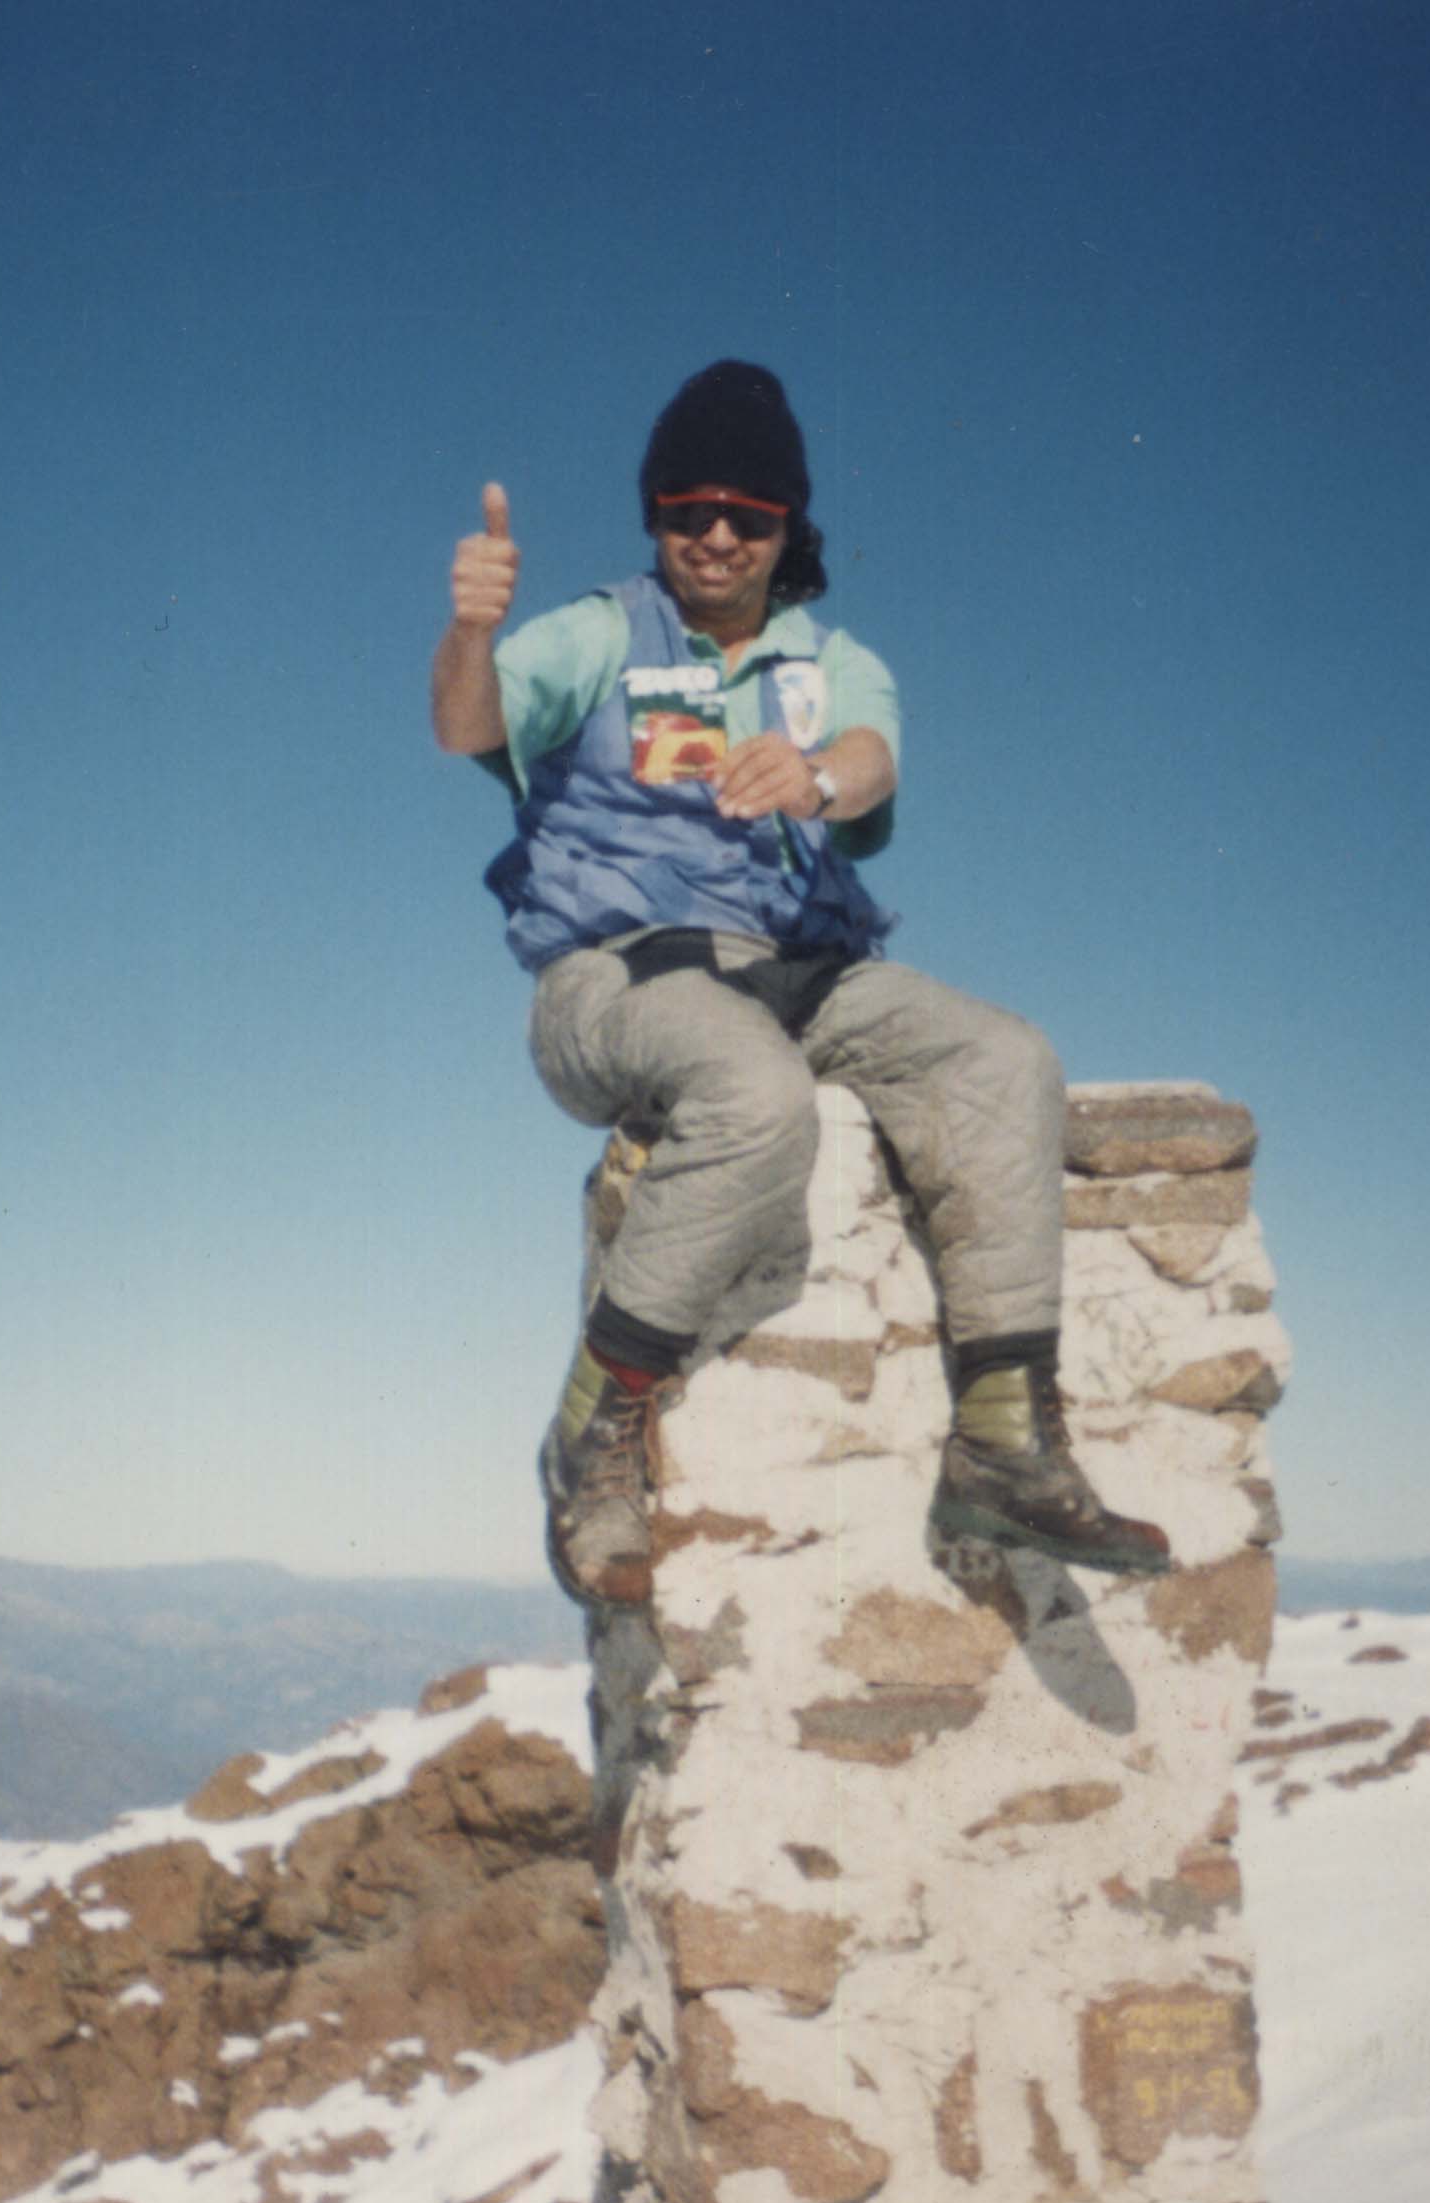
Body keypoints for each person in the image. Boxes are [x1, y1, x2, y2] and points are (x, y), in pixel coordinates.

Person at [428, 360, 1172, 1610]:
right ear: (656, 515)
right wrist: (471, 630)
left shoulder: (830, 663)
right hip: (618, 976)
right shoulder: (601, 631)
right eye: (688, 509)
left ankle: (1000, 1441)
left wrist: (820, 776)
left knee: (1003, 1058)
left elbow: (875, 758)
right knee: (755, 1095)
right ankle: (592, 1432)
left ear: (789, 528)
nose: (716, 536)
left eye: (750, 514)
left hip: (802, 967)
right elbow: (466, 725)